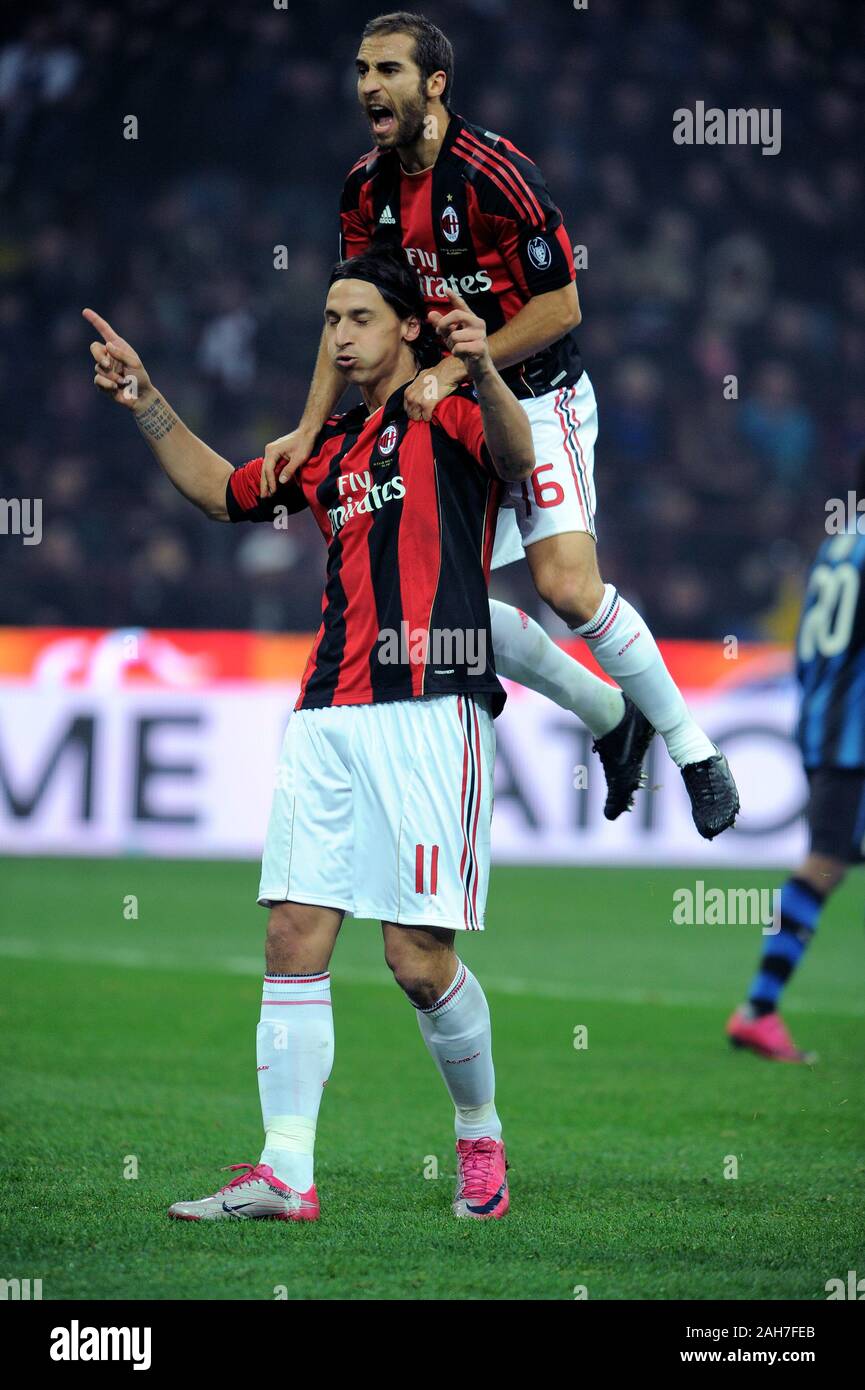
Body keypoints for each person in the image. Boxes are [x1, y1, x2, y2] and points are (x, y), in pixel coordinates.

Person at [83, 242, 535, 1220]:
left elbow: (517, 459)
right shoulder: (323, 449)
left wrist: (486, 366)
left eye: (357, 317)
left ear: (409, 325)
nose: (337, 335)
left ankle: (479, 1135)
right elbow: (219, 491)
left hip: (429, 704)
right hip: (327, 707)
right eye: (329, 320)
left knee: (416, 960)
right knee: (292, 932)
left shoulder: (449, 413)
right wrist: (148, 399)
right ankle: (285, 1170)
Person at [261, 10, 739, 838]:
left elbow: (562, 303)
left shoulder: (496, 176)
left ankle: (693, 749)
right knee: (447, 617)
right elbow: (346, 309)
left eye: (389, 71)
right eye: (362, 70)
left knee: (565, 588)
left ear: (434, 84)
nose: (370, 87)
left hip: (533, 399)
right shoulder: (363, 189)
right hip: (441, 415)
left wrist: (456, 365)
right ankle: (607, 716)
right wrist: (308, 427)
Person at [727, 454, 865, 1062]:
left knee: (826, 864)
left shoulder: (841, 545)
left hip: (825, 724)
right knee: (824, 864)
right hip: (855, 736)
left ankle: (759, 1008)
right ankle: (758, 1007)